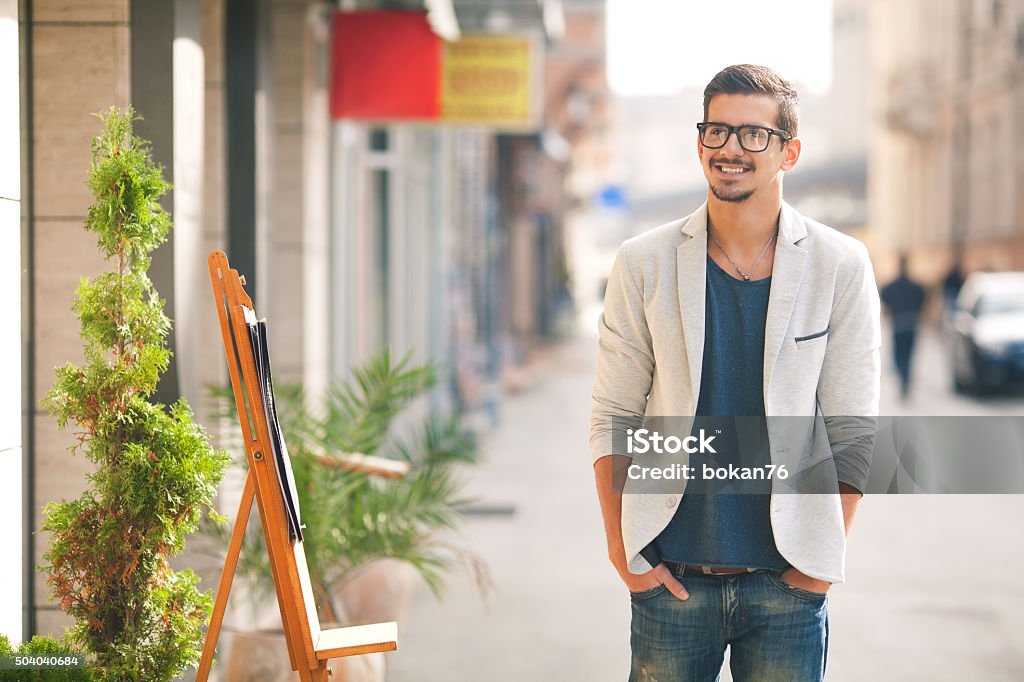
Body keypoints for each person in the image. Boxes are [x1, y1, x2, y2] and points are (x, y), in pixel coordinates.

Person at [589, 64, 881, 681]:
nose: (730, 149)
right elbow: (613, 415)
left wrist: (819, 565)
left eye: (753, 135)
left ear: (789, 152)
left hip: (788, 586)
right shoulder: (642, 263)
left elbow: (854, 429)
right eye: (716, 131)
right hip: (672, 579)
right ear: (699, 142)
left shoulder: (840, 265)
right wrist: (625, 553)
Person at [880, 254, 927, 399]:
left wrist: (891, 308)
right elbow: (922, 296)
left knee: (899, 354)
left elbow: (884, 293)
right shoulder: (914, 285)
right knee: (908, 354)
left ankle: (902, 375)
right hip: (911, 321)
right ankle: (905, 377)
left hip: (899, 321)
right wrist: (917, 310)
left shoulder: (893, 285)